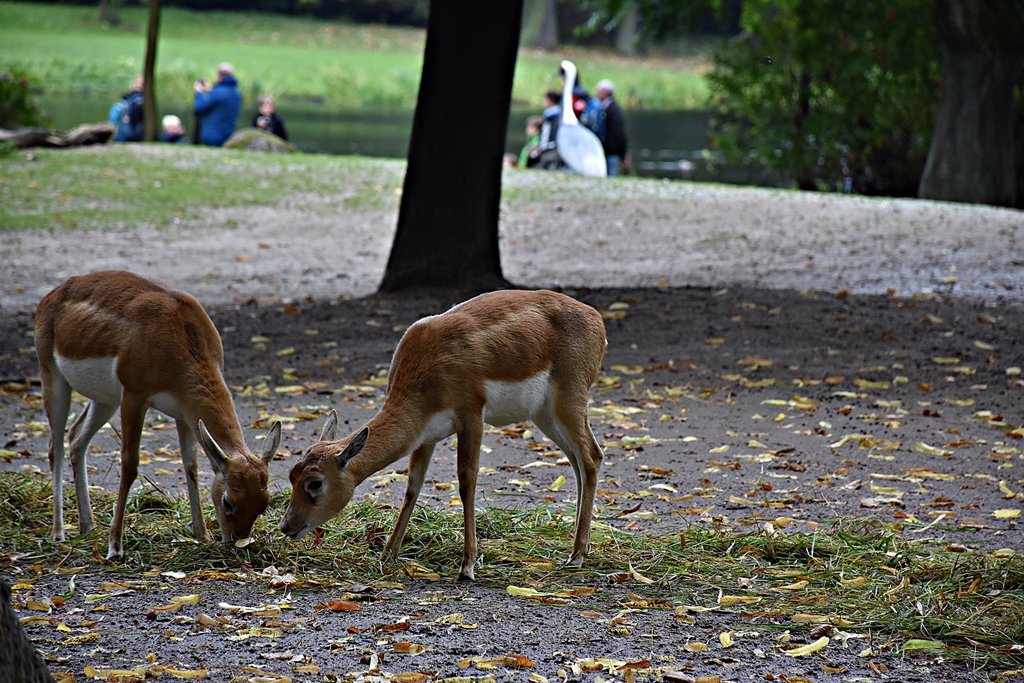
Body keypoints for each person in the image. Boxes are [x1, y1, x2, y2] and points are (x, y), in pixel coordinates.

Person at [193, 62, 242, 147]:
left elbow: (199, 107)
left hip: (212, 135)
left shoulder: (217, 92)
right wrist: (211, 91)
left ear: (219, 75)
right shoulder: (237, 93)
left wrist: (199, 92)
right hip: (228, 134)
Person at [591, 79, 629, 176]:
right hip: (607, 150)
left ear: (605, 93)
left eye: (598, 91)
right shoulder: (604, 108)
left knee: (611, 175)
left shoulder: (613, 110)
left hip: (612, 151)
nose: (596, 94)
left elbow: (619, 133)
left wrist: (622, 153)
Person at [529, 91, 564, 170]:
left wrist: (543, 146)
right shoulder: (561, 113)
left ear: (550, 100)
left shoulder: (549, 115)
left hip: (550, 146)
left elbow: (546, 133)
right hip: (559, 145)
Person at [109, 76, 145, 143]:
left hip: (121, 138)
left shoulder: (120, 105)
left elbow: (112, 123)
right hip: (138, 138)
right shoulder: (146, 104)